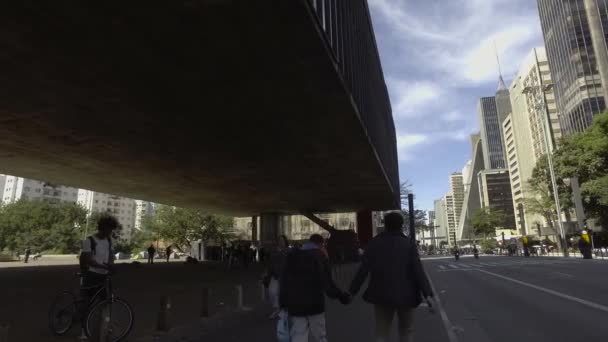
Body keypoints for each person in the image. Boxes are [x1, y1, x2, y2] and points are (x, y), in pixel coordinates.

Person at [348, 212, 433, 342]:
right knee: (406, 331)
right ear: (401, 225)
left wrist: (352, 292)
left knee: (381, 332)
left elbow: (363, 271)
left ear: (385, 225)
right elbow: (418, 271)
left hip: (381, 294)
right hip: (407, 295)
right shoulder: (408, 244)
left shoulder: (374, 243)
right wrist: (428, 295)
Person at [280, 234, 350, 342]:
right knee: (319, 336)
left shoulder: (292, 256)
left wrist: (283, 303)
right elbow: (327, 284)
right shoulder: (320, 256)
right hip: (315, 304)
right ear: (321, 244)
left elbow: (284, 281)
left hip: (295, 304)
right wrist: (341, 296)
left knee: (299, 335)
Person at [79, 215, 118, 336]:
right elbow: (89, 260)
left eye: (112, 230)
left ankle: (104, 327)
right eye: (109, 230)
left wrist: (110, 265)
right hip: (91, 275)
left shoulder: (109, 240)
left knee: (106, 302)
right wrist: (104, 267)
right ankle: (83, 331)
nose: (110, 232)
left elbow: (111, 255)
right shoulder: (89, 241)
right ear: (102, 228)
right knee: (87, 303)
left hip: (104, 276)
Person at [264, 235, 290, 319]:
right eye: (279, 240)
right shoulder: (273, 251)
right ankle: (277, 309)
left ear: (285, 241)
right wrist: (267, 273)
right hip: (274, 275)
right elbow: (270, 263)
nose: (280, 242)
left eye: (282, 240)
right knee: (272, 292)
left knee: (283, 294)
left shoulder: (289, 251)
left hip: (285, 276)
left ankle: (281, 310)